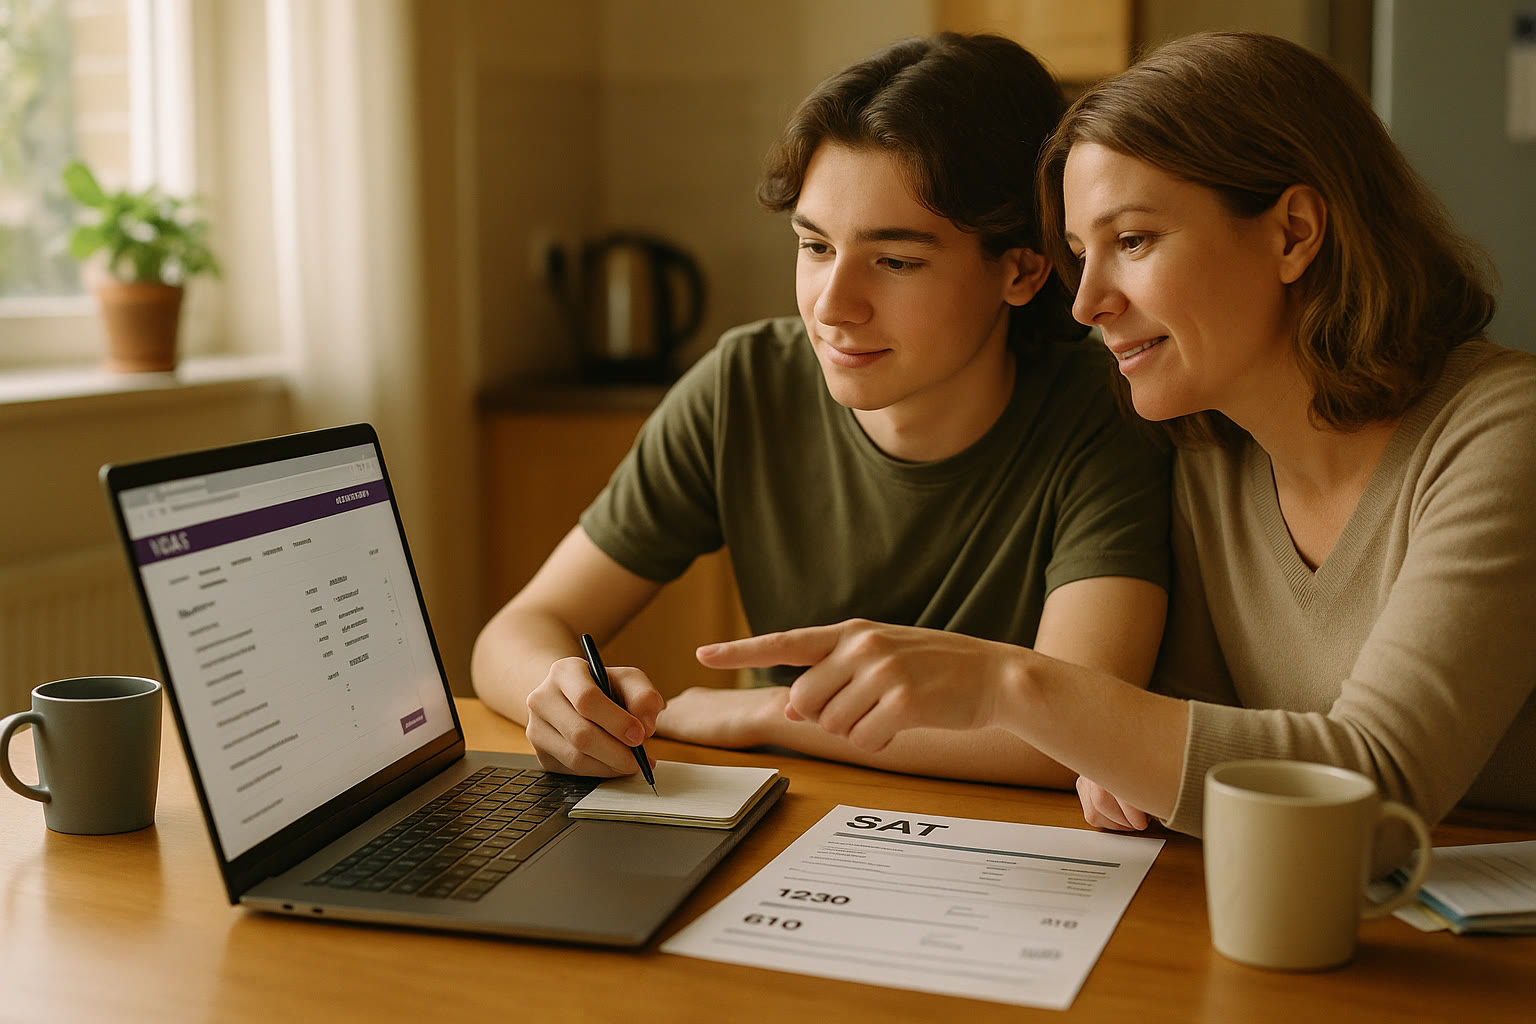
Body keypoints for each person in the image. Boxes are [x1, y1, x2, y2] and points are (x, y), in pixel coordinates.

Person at [698, 30, 1536, 841]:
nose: (1086, 302)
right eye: (1077, 253)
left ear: (1293, 233)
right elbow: (1178, 735)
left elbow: (1372, 792)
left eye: (1132, 241)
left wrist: (1010, 683)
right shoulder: (1208, 450)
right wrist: (1123, 755)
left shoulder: (1502, 432)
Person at [470, 33, 1172, 786]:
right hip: (793, 814)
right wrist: (564, 698)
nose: (833, 308)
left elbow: (1076, 732)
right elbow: (515, 634)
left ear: (1023, 269)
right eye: (814, 247)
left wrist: (771, 716)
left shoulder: (1105, 412)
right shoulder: (745, 384)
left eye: (896, 261)